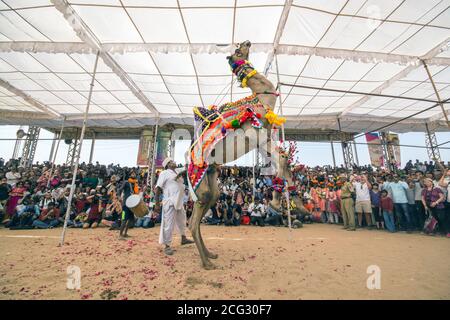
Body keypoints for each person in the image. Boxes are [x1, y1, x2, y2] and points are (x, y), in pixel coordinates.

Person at [155, 158, 193, 256]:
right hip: (170, 202)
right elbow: (158, 188)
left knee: (182, 220)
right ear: (167, 165)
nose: (174, 162)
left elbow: (186, 168)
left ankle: (183, 238)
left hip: (179, 202)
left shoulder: (176, 171)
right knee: (168, 224)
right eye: (172, 162)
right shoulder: (164, 173)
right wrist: (157, 203)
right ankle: (167, 246)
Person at [118, 171, 139, 239]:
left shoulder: (135, 184)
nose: (134, 174)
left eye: (134, 173)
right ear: (129, 175)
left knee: (130, 220)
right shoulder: (126, 182)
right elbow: (119, 190)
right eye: (132, 173)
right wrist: (119, 197)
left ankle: (125, 233)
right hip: (125, 204)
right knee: (124, 219)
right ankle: (120, 235)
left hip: (132, 204)